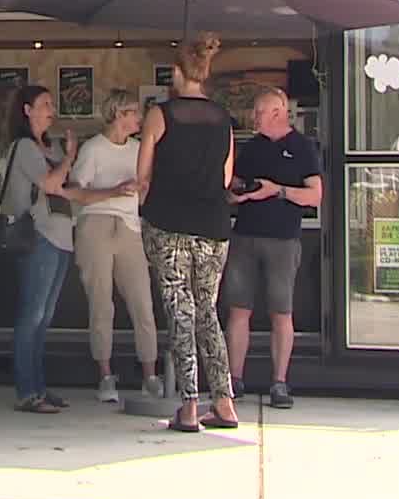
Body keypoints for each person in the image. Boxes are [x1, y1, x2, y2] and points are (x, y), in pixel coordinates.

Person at [136, 33, 242, 434]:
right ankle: (225, 401)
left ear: (178, 73)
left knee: (180, 310)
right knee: (207, 312)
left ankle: (189, 404)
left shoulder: (160, 116)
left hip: (169, 223)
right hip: (214, 226)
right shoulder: (222, 118)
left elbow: (142, 176)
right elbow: (226, 176)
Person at [223, 87, 322, 409]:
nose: (254, 118)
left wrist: (276, 190)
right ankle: (234, 380)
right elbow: (232, 186)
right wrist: (239, 193)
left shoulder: (302, 147)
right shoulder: (251, 148)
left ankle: (280, 382)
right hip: (246, 234)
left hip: (283, 238)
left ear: (278, 112)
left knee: (282, 311)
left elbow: (315, 196)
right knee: (239, 308)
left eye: (259, 112)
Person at [67, 89, 160, 404]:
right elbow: (75, 192)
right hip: (95, 224)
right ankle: (105, 375)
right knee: (101, 303)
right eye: (133, 112)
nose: (138, 118)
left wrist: (140, 190)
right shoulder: (93, 149)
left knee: (142, 302)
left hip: (130, 225)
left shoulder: (138, 149)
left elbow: (144, 194)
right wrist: (114, 191)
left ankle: (150, 374)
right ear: (119, 114)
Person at [0, 84, 77, 414]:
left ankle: (39, 386)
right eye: (45, 104)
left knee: (44, 317)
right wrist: (71, 157)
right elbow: (50, 184)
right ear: (27, 110)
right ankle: (27, 390)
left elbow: (66, 187)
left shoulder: (50, 148)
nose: (51, 109)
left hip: (60, 235)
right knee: (32, 314)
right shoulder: (25, 147)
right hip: (38, 235)